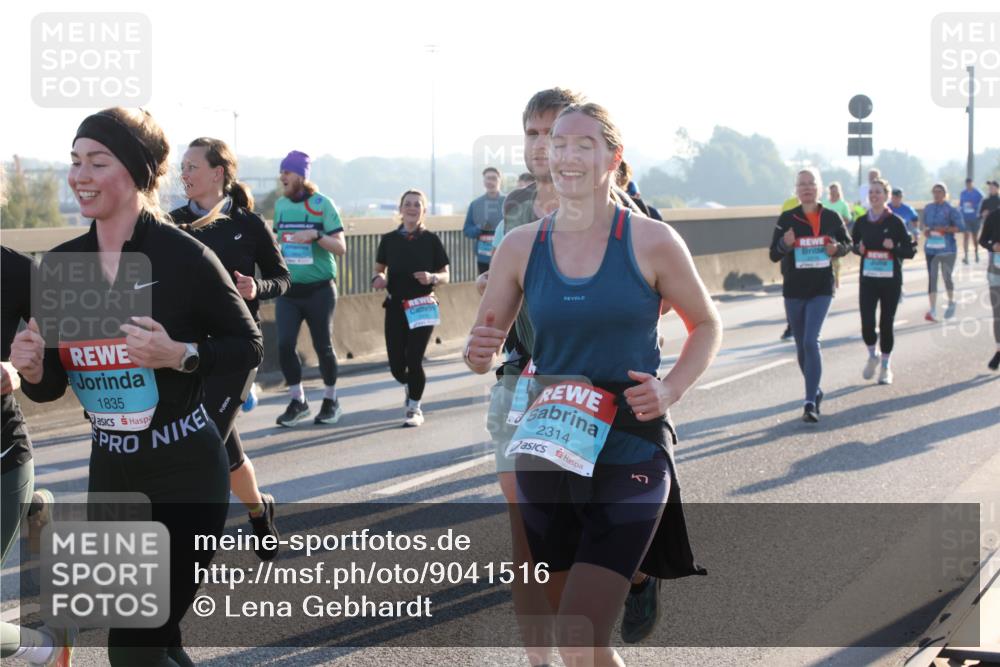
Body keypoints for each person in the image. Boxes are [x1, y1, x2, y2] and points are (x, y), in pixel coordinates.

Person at [466, 102, 720, 667]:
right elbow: (485, 340)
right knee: (579, 642)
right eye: (558, 144)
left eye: (583, 145)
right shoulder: (520, 245)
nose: (566, 156)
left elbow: (706, 323)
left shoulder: (652, 241)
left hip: (630, 445)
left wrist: (671, 389)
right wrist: (475, 351)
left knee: (580, 637)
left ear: (613, 158)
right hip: (548, 450)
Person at [11, 107, 263, 666]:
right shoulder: (62, 266)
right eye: (75, 161)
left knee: (131, 647)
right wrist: (33, 368)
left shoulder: (182, 257)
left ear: (139, 172)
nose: (80, 175)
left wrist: (180, 354)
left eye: (98, 161)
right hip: (113, 474)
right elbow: (52, 387)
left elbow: (247, 346)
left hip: (186, 473)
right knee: (157, 643)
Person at [170, 137, 290, 560]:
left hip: (238, 349)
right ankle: (259, 510)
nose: (183, 174)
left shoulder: (249, 224)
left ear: (217, 173)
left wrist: (258, 286)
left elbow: (282, 277)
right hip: (187, 351)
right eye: (182, 167)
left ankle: (181, 542)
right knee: (222, 445)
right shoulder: (172, 223)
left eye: (191, 167)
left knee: (200, 443)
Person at [1, 246, 73, 667]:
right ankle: (34, 513)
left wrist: (20, 367)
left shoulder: (15, 270)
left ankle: (48, 646)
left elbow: (61, 352)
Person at [769, 168, 850, 422]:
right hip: (794, 289)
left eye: (811, 183)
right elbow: (773, 253)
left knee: (810, 341)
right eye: (802, 184)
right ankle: (815, 389)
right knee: (801, 346)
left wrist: (836, 249)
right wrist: (786, 244)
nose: (806, 188)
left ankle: (809, 403)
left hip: (821, 288)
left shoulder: (832, 217)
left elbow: (847, 245)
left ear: (819, 188)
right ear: (796, 189)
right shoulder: (787, 218)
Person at [272, 150, 347, 427]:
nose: (282, 177)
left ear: (301, 176)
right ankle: (298, 400)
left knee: (322, 346)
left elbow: (341, 248)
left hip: (319, 290)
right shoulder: (281, 205)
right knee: (284, 345)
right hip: (290, 292)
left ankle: (331, 400)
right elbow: (279, 241)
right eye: (281, 172)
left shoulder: (321, 204)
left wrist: (316, 235)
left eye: (287, 172)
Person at [371, 190, 450, 427]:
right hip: (396, 305)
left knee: (414, 359)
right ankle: (410, 384)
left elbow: (446, 275)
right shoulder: (389, 240)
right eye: (408, 204)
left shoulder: (431, 240)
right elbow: (378, 270)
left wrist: (432, 277)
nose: (412, 208)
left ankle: (414, 407)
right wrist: (378, 279)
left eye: (417, 204)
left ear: (424, 210)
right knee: (397, 365)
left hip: (423, 306)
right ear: (400, 209)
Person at [851, 178, 916, 385]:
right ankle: (873, 355)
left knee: (886, 323)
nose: (874, 195)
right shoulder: (861, 222)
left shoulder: (895, 222)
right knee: (867, 324)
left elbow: (910, 251)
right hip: (868, 279)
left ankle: (886, 367)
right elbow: (852, 243)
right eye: (871, 192)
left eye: (878, 192)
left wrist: (894, 247)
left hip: (890, 281)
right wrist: (857, 249)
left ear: (886, 196)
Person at [920, 182, 964, 322]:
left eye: (939, 191)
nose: (936, 194)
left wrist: (944, 229)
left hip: (948, 249)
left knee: (946, 277)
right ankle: (932, 310)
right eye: (934, 191)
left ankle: (951, 302)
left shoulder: (951, 209)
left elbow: (960, 227)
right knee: (932, 278)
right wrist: (926, 231)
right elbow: (924, 226)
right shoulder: (928, 208)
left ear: (945, 194)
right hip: (931, 248)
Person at [463, 167, 505, 274]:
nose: (490, 181)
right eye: (487, 178)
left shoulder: (509, 201)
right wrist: (479, 228)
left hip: (506, 255)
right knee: (485, 288)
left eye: (493, 178)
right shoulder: (475, 204)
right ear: (483, 181)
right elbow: (467, 230)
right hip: (484, 257)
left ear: (500, 180)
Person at [980, 207, 1000, 370]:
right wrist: (992, 246)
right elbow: (982, 240)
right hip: (996, 272)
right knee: (998, 314)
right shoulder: (993, 216)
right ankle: (999, 349)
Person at [959, 178, 984, 264]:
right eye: (967, 184)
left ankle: (976, 253)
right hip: (965, 218)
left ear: (972, 184)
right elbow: (961, 204)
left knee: (974, 237)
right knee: (966, 236)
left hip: (975, 218)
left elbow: (983, 202)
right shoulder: (963, 193)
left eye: (970, 184)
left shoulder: (978, 193)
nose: (968, 185)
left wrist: (974, 206)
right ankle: (966, 256)